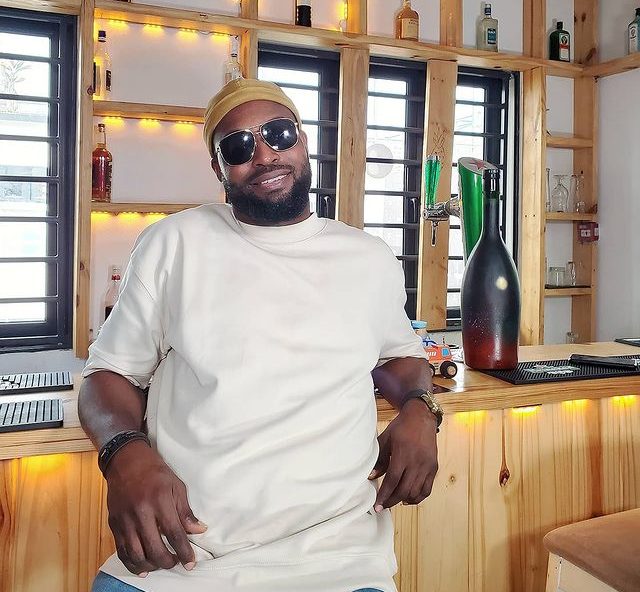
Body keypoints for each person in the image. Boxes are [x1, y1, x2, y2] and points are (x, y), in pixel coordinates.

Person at [79, 78, 441, 592]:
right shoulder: (174, 243)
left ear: (303, 140)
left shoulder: (367, 258)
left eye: (279, 133)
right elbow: (107, 375)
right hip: (183, 559)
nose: (265, 154)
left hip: (338, 559)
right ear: (218, 168)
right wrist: (124, 454)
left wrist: (422, 410)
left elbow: (400, 358)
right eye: (238, 146)